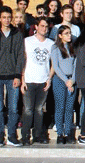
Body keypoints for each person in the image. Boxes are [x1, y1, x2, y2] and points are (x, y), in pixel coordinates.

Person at [0, 6, 25, 146]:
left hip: (12, 76)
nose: (7, 20)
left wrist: (17, 75)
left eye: (9, 17)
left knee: (14, 108)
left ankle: (12, 134)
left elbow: (20, 55)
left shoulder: (17, 34)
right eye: (4, 17)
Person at [21, 17, 53, 145]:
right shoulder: (27, 41)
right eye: (42, 26)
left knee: (39, 109)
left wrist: (49, 78)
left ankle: (38, 135)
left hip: (43, 80)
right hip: (29, 79)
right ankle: (25, 136)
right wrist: (22, 79)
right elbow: (23, 61)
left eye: (46, 27)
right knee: (28, 109)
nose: (44, 29)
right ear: (36, 27)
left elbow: (53, 64)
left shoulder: (51, 44)